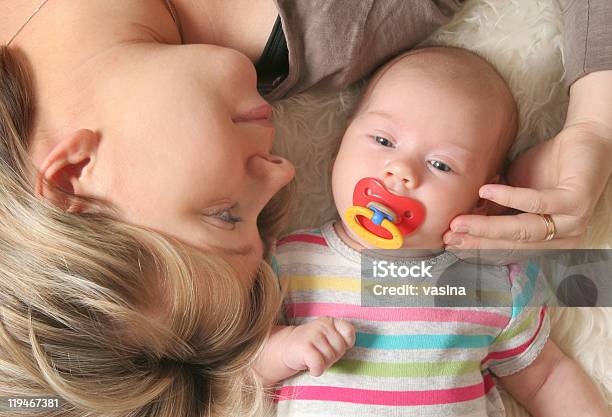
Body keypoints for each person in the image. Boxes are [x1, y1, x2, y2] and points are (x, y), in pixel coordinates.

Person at [0, 1, 610, 416]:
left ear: (76, 173)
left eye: (223, 213)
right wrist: (596, 125)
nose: (286, 170)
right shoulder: (334, 28)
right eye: (259, 220)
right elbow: (566, 291)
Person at [262, 47, 609, 416]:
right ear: (339, 145)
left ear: (480, 202)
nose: (401, 170)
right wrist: (285, 349)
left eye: (441, 164)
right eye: (383, 141)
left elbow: (546, 378)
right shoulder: (290, 260)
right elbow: (235, 368)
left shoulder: (487, 280)